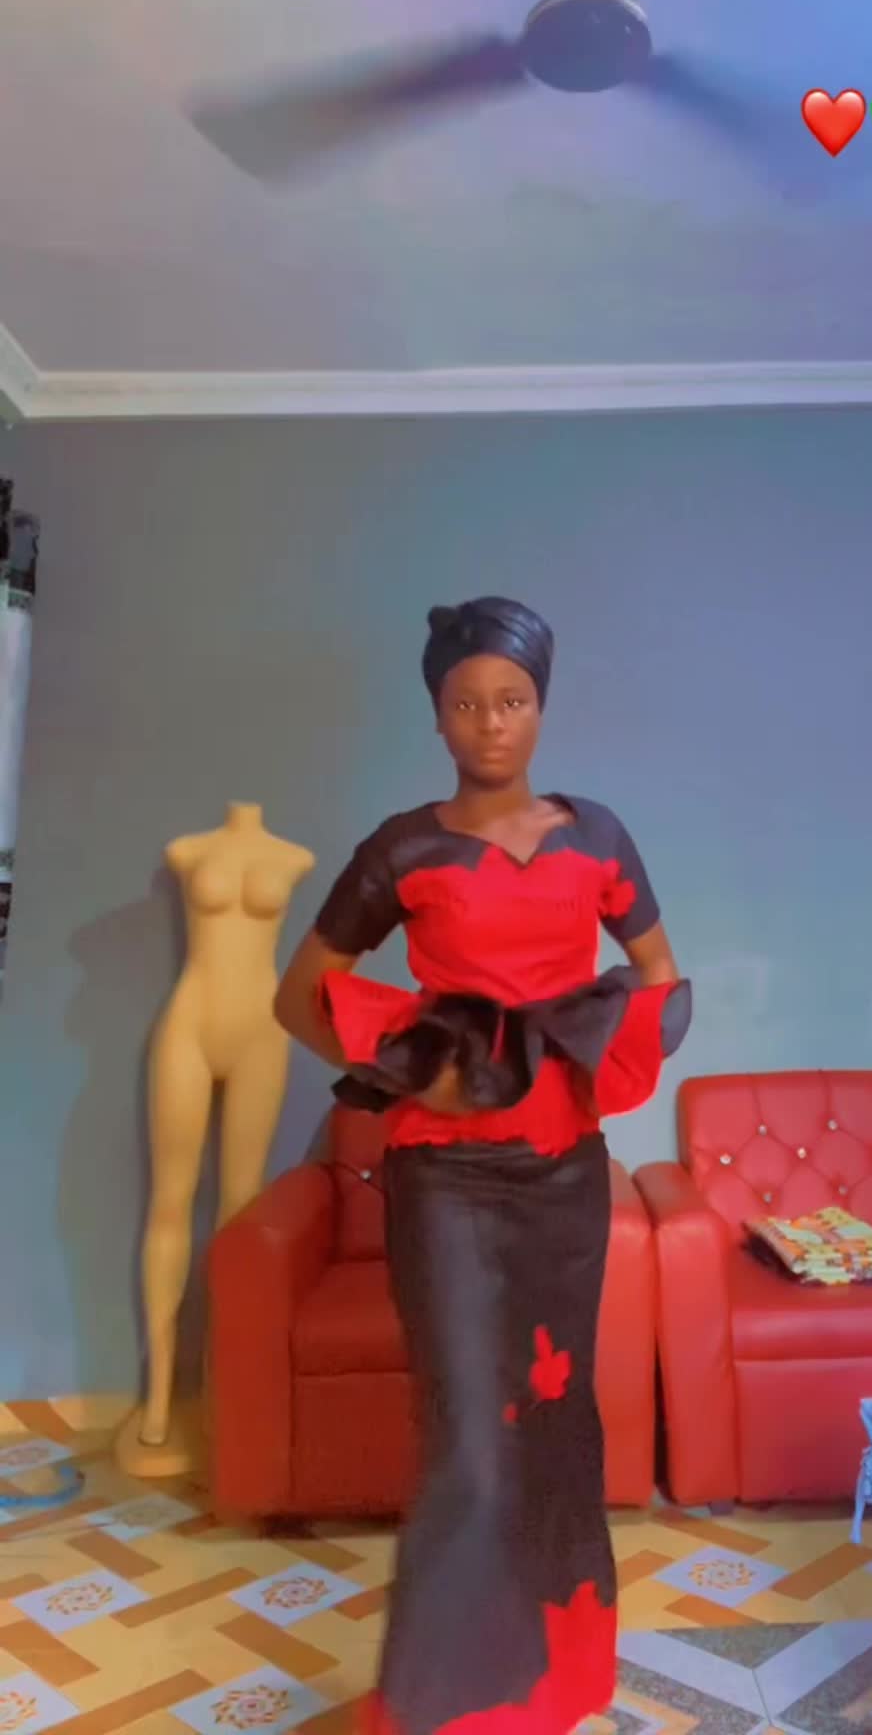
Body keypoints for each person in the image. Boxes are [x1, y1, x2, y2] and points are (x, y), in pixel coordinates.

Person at [275, 596, 691, 1735]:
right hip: (444, 1185)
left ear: (540, 708)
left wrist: (587, 1044)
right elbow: (295, 998)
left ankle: (551, 1684)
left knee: (556, 1422)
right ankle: (444, 1707)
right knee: (466, 1437)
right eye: (467, 704)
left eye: (511, 701)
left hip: (564, 1180)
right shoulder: (402, 848)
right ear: (438, 717)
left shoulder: (598, 836)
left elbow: (658, 978)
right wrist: (423, 1075)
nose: (491, 723)